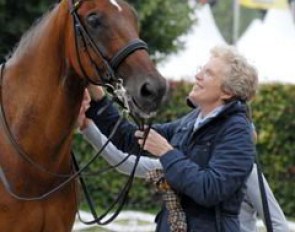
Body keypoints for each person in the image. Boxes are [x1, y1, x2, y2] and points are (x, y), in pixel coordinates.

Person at [85, 45, 258, 232]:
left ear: (227, 92)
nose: (198, 76)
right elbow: (128, 138)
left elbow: (210, 189)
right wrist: (97, 97)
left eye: (208, 73)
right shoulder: (192, 120)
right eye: (201, 69)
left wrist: (166, 152)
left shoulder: (238, 130)